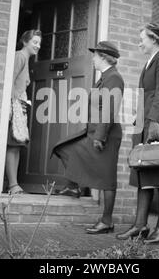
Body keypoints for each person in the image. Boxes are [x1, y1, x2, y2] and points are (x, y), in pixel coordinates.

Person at [52, 41, 124, 234]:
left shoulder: (114, 78)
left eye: (95, 56)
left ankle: (107, 221)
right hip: (94, 131)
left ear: (103, 57)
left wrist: (100, 136)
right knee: (66, 148)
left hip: (106, 134)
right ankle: (73, 186)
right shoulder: (103, 78)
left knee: (108, 178)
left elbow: (109, 109)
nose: (92, 59)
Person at [116, 23, 159, 243]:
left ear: (153, 39)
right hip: (145, 121)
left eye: (142, 38)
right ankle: (140, 226)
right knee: (144, 174)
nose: (139, 42)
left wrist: (154, 124)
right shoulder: (149, 63)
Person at [6, 29, 42, 195]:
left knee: (18, 145)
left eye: (39, 42)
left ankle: (14, 184)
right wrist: (11, 108)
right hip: (15, 104)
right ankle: (13, 185)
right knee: (13, 145)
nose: (38, 45)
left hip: (21, 104)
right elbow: (10, 81)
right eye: (34, 42)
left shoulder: (26, 60)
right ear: (25, 42)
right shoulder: (19, 56)